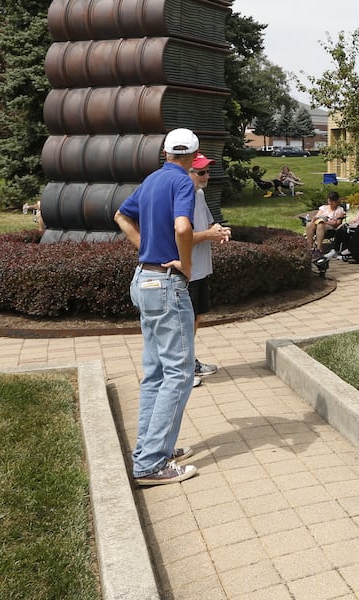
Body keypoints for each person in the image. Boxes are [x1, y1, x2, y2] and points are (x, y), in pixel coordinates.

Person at [113, 127, 202, 487]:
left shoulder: (150, 181)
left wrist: (145, 248)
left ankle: (151, 450)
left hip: (143, 280)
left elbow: (121, 216)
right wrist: (185, 263)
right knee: (179, 375)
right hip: (166, 285)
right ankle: (151, 463)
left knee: (155, 373)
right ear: (195, 156)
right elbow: (183, 226)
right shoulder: (183, 183)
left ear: (165, 152)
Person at [187, 153, 231, 388]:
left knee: (195, 318)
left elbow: (207, 225)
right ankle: (181, 371)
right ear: (187, 172)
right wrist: (208, 234)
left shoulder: (200, 195)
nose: (207, 176)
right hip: (187, 271)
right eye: (201, 172)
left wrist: (219, 230)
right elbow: (180, 238)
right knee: (184, 322)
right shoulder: (181, 198)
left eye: (207, 171)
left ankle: (188, 361)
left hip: (201, 269)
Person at [306, 191, 347, 257]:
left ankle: (319, 249)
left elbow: (337, 223)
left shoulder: (339, 210)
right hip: (319, 223)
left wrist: (325, 222)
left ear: (336, 201)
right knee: (309, 224)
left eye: (332, 201)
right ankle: (310, 247)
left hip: (330, 227)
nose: (330, 203)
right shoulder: (323, 208)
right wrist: (315, 219)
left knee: (320, 225)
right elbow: (317, 216)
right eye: (329, 201)